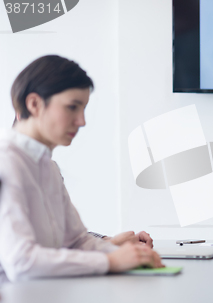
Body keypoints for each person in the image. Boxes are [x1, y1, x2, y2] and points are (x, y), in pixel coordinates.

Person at [0, 55, 163, 283]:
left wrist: (130, 255)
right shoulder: (6, 163)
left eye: (84, 108)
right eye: (72, 107)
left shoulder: (48, 167)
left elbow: (78, 241)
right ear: (34, 104)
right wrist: (112, 261)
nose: (82, 121)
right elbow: (21, 261)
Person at [12, 114, 155, 249]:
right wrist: (110, 250)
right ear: (31, 106)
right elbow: (29, 254)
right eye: (71, 107)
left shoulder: (51, 169)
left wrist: (108, 241)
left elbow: (68, 236)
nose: (82, 121)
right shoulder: (9, 169)